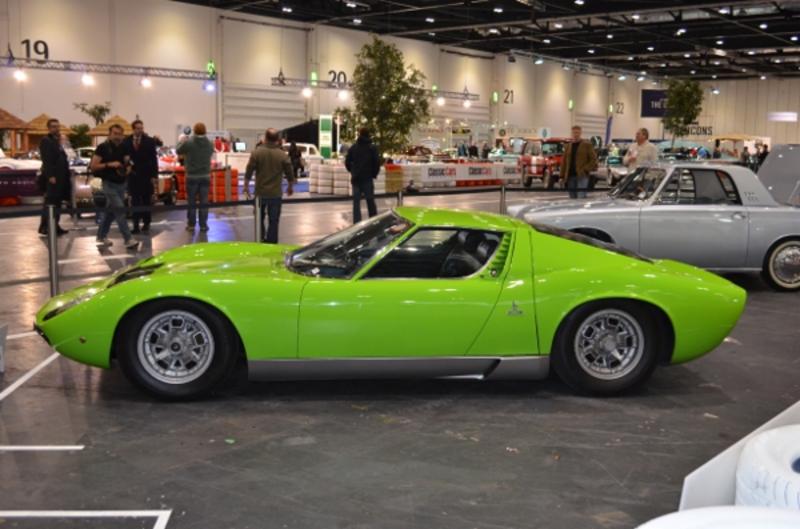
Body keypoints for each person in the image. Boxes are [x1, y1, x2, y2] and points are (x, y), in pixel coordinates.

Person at [91, 124, 138, 249]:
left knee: (111, 212)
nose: (118, 136)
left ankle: (101, 236)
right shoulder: (102, 147)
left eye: (120, 134)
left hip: (121, 184)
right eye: (115, 133)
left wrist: (128, 167)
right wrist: (109, 164)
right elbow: (93, 166)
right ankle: (128, 239)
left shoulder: (124, 147)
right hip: (108, 184)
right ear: (110, 134)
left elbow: (128, 161)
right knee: (120, 209)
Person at [244, 128, 294, 243]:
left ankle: (260, 238)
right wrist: (290, 187)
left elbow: (249, 171)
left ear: (265, 138)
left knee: (259, 219)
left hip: (260, 194)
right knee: (274, 220)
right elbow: (290, 173)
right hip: (275, 194)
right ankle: (271, 242)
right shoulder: (282, 155)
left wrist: (246, 187)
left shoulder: (256, 153)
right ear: (277, 139)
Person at [122, 120, 162, 234]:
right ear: (133, 129)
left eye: (141, 128)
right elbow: (124, 157)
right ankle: (135, 225)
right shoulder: (126, 141)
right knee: (134, 201)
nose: (140, 130)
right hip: (133, 176)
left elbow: (154, 160)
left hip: (146, 175)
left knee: (146, 200)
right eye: (138, 128)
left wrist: (154, 175)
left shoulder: (149, 141)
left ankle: (146, 222)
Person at [176, 123, 215, 232]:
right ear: (205, 131)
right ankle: (203, 225)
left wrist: (180, 140)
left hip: (192, 176)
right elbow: (211, 152)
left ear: (194, 130)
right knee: (204, 201)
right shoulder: (209, 143)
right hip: (205, 175)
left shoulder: (189, 142)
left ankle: (191, 224)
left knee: (191, 201)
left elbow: (178, 150)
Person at [37, 118, 70, 236]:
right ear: (49, 128)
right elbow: (46, 159)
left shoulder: (58, 141)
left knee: (58, 202)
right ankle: (45, 227)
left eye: (58, 126)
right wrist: (50, 175)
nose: (57, 128)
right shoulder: (46, 140)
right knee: (50, 202)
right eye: (54, 126)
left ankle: (55, 226)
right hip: (53, 177)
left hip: (61, 177)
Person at [345, 128, 381, 224]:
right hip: (367, 178)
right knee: (370, 201)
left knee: (356, 203)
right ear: (368, 135)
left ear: (359, 135)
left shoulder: (353, 147)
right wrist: (374, 174)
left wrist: (352, 171)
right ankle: (373, 222)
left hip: (356, 179)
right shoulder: (372, 148)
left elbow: (347, 162)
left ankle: (357, 224)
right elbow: (377, 162)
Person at [559, 125, 598, 199]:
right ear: (572, 133)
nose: (575, 134)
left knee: (581, 197)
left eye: (577, 132)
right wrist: (561, 176)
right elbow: (564, 162)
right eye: (574, 133)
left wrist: (586, 169)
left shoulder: (587, 145)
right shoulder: (568, 146)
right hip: (570, 176)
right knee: (572, 197)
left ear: (580, 133)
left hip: (582, 175)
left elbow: (594, 159)